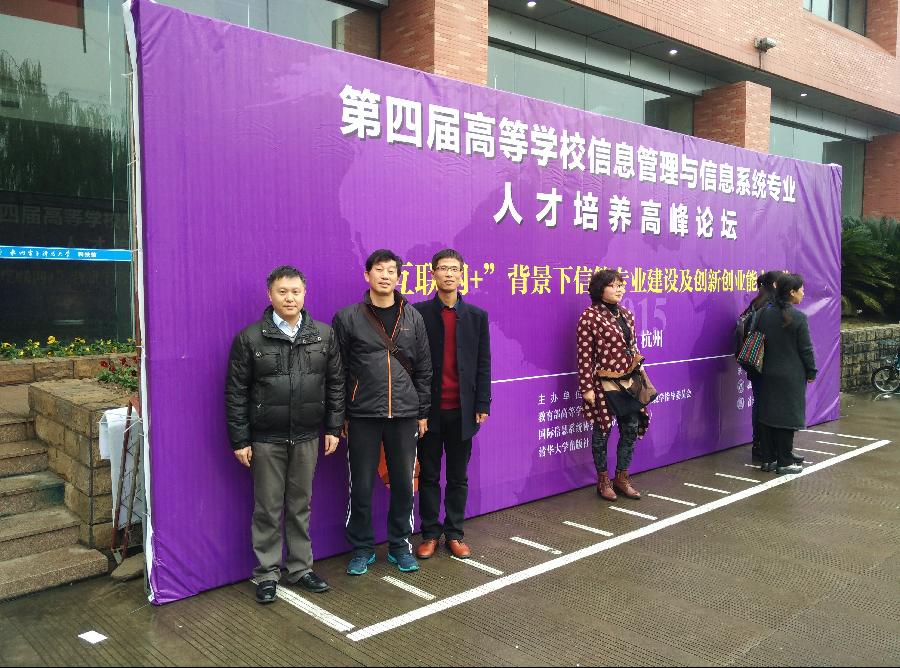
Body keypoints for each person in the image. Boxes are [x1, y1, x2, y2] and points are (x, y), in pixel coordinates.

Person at [225, 265, 344, 604]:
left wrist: (333, 427)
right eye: (282, 291)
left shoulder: (323, 335)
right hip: (266, 439)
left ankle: (301, 568)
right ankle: (266, 573)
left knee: (300, 505)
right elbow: (236, 393)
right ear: (270, 295)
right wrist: (240, 440)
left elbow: (336, 384)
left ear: (304, 294)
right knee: (267, 507)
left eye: (295, 291)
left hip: (307, 436)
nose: (289, 298)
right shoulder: (250, 338)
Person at [332, 249, 432, 575]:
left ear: (399, 278)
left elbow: (424, 369)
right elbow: (338, 371)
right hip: (362, 414)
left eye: (391, 271)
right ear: (367, 275)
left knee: (403, 484)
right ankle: (362, 548)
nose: (385, 275)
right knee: (361, 486)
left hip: (404, 414)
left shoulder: (413, 317)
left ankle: (400, 545)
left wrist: (422, 412)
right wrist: (340, 415)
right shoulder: (347, 318)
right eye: (379, 269)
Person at [412, 249, 491, 560]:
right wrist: (417, 408)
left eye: (454, 269)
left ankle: (455, 533)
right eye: (442, 268)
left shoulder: (476, 316)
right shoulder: (418, 313)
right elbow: (412, 364)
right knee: (429, 476)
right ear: (433, 274)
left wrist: (482, 402)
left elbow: (483, 362)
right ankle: (430, 533)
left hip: (463, 411)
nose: (448, 274)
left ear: (462, 274)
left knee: (458, 476)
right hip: (428, 413)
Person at [576, 270, 651, 501]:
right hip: (602, 382)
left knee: (630, 427)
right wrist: (587, 388)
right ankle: (603, 481)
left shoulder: (626, 314)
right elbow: (584, 356)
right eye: (613, 285)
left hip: (628, 380)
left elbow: (633, 347)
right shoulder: (589, 317)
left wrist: (641, 374)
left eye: (621, 285)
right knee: (602, 431)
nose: (619, 289)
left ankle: (621, 477)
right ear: (600, 289)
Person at [755, 272, 817, 474]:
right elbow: (806, 350)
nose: (803, 293)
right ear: (792, 292)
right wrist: (811, 372)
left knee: (767, 415)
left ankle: (769, 460)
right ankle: (785, 462)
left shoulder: (763, 313)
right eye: (801, 290)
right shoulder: (799, 318)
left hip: (766, 372)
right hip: (790, 376)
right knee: (786, 418)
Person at [740, 270, 781, 462]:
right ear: (775, 285)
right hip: (766, 363)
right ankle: (765, 445)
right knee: (767, 405)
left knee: (760, 402)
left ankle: (760, 444)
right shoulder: (769, 307)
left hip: (755, 363)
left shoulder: (755, 304)